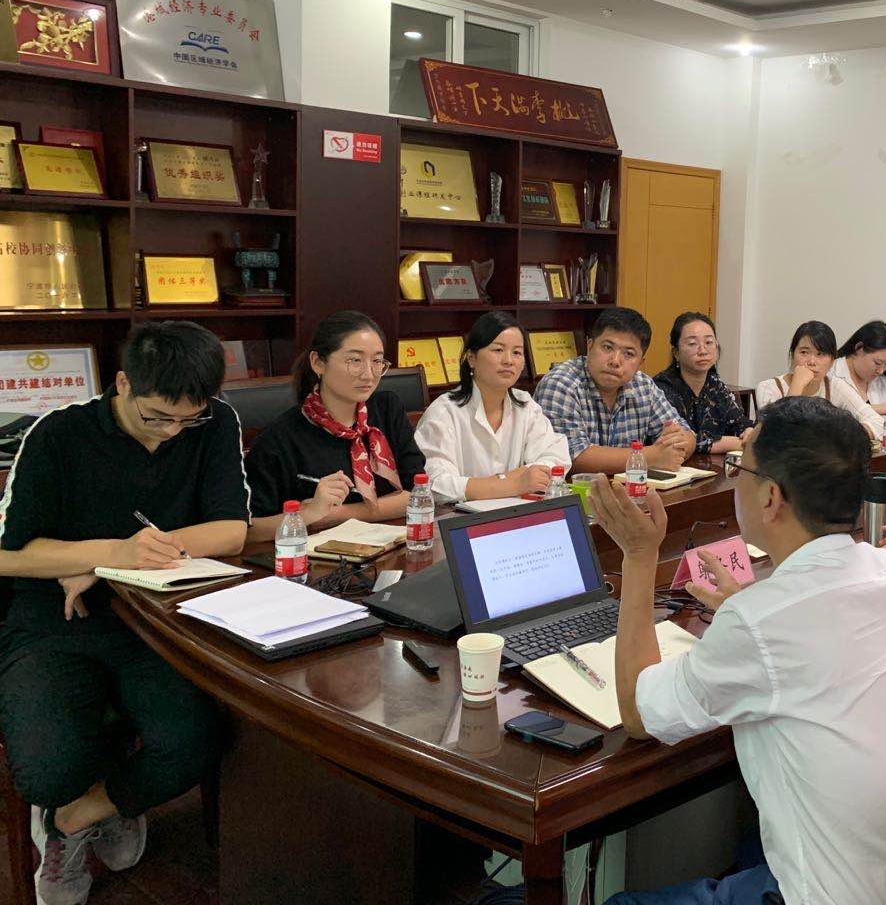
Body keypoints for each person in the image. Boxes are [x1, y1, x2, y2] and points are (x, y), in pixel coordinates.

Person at [593, 397, 886, 905]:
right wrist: (752, 612)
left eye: (740, 469)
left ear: (771, 498)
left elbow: (637, 713)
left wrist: (638, 555)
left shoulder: (762, 622)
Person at [0, 321, 248, 904]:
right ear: (122, 384)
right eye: (157, 417)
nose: (171, 433)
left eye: (187, 420)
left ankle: (80, 815)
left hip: (157, 620)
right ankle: (83, 796)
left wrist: (118, 562)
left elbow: (231, 530)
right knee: (47, 769)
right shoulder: (58, 433)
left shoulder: (216, 423)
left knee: (197, 740)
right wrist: (111, 552)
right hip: (55, 620)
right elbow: (10, 555)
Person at [245, 311, 425, 543]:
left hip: (392, 546)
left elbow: (418, 494)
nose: (369, 374)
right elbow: (250, 531)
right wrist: (309, 514)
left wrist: (338, 515)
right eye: (355, 360)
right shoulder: (278, 440)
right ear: (318, 363)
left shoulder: (387, 409)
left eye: (377, 361)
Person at [412, 311, 570, 504]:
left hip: (516, 512)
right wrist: (510, 484)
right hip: (461, 517)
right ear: (471, 358)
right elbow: (435, 484)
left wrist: (522, 476)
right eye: (498, 350)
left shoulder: (525, 405)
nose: (508, 360)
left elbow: (556, 455)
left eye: (517, 352)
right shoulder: (444, 413)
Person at [534, 307, 695, 474]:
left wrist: (677, 444)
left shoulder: (643, 385)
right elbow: (571, 457)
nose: (615, 361)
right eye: (607, 347)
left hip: (628, 487)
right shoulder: (561, 383)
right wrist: (651, 457)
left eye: (628, 354)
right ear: (589, 346)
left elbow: (687, 434)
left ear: (640, 363)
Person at [754, 321, 884, 439]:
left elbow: (878, 422)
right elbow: (774, 435)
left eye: (820, 354)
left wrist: (844, 433)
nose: (811, 361)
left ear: (832, 361)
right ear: (792, 355)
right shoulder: (769, 388)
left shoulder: (834, 386)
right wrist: (797, 385)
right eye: (804, 352)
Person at [652, 311, 754, 456]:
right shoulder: (661, 388)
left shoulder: (715, 385)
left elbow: (739, 423)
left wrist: (748, 431)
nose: (703, 351)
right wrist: (732, 443)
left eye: (709, 342)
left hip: (714, 467)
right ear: (676, 352)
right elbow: (678, 440)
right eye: (692, 344)